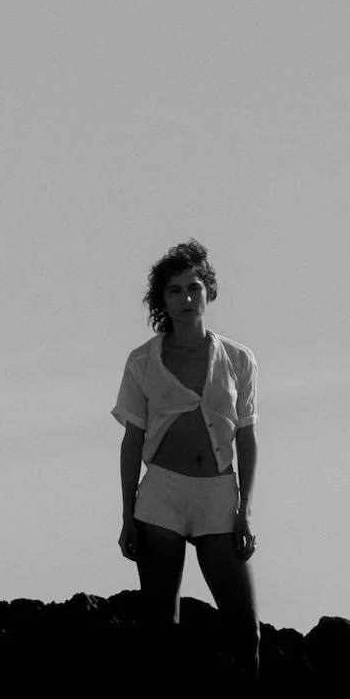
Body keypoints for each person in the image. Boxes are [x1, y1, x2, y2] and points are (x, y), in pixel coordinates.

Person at [113, 239, 259, 671]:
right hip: (161, 499)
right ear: (162, 299)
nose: (186, 298)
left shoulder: (238, 359)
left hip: (218, 498)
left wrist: (244, 511)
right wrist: (127, 515)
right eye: (175, 291)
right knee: (161, 629)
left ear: (208, 292)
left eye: (194, 288)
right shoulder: (142, 361)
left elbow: (247, 438)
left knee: (245, 630)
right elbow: (132, 441)